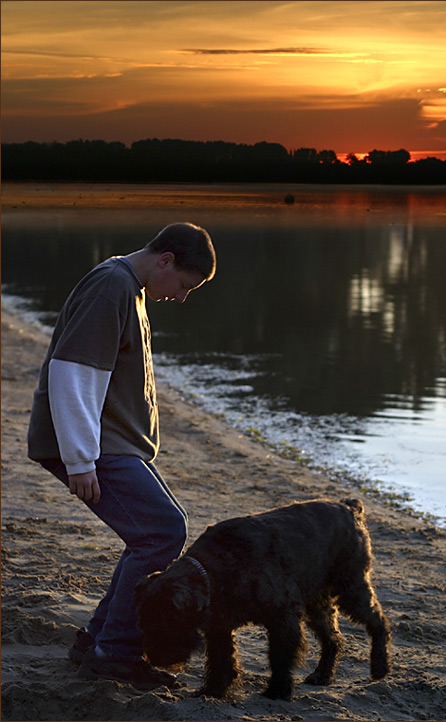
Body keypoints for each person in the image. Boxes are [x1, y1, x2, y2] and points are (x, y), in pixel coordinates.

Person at [27, 222, 216, 690]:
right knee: (161, 532)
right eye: (185, 285)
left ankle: (96, 642)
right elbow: (72, 373)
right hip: (94, 445)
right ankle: (115, 653)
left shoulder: (127, 287)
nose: (181, 296)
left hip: (107, 443)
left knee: (155, 532)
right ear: (165, 260)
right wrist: (79, 460)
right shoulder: (112, 287)